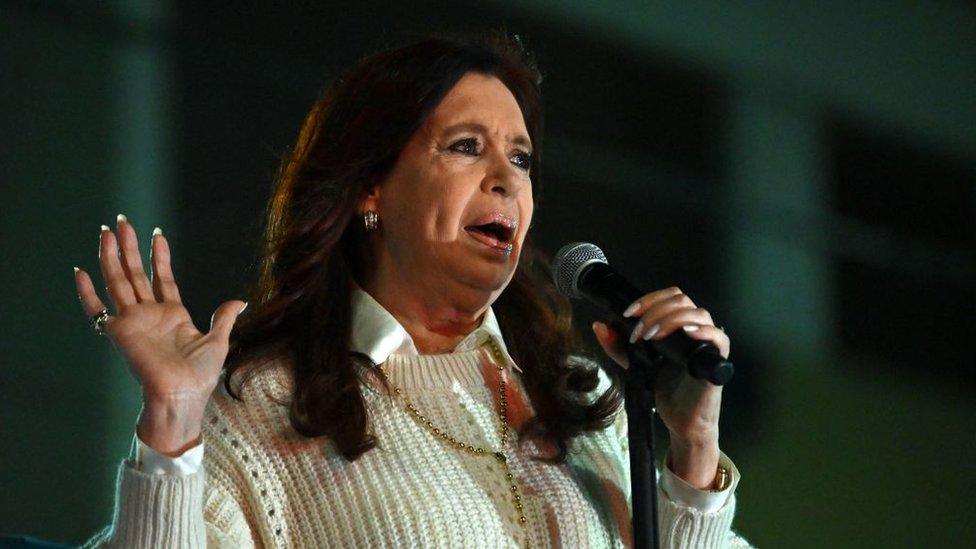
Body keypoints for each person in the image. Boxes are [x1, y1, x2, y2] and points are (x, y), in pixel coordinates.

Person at [75, 32, 752, 548]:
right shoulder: (265, 407)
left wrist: (693, 446)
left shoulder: (584, 400)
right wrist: (170, 424)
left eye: (520, 158)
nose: (506, 180)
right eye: (465, 146)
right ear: (371, 186)